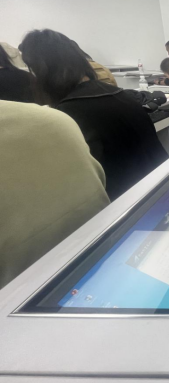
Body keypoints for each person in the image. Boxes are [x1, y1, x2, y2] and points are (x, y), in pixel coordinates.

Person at [20, 29, 169, 201]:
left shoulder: (68, 113)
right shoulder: (121, 94)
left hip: (123, 201)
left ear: (43, 71)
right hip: (158, 185)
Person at [0, 99, 110, 289]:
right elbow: (100, 180)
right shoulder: (56, 118)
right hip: (105, 251)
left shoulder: (62, 113)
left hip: (29, 293)